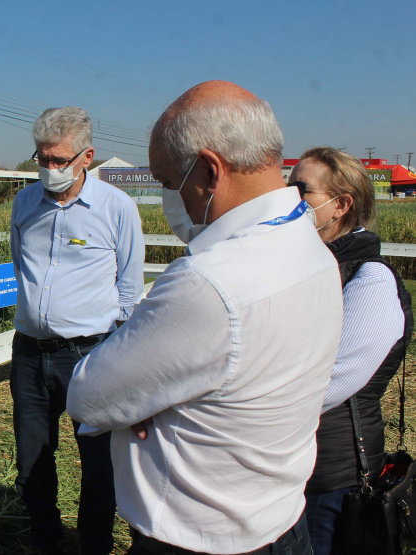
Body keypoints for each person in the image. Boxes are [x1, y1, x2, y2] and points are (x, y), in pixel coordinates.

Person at [67, 81, 344, 555]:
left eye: (168, 182)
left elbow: (89, 397)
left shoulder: (209, 282)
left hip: (195, 539)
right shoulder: (310, 246)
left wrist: (142, 400)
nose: (170, 198)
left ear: (210, 171)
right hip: (282, 522)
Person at [10, 106, 145, 554]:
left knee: (98, 462)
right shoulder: (24, 203)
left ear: (87, 156)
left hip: (91, 354)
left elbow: (129, 287)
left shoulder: (116, 208)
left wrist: (117, 350)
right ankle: (45, 539)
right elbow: (20, 265)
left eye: (59, 160)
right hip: (29, 353)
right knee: (32, 457)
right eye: (42, 158)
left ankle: (94, 545)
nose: (49, 168)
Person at [289, 147, 413, 555]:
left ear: (340, 206)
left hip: (330, 474)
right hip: (288, 463)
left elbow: (330, 382)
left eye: (302, 190)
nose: (289, 197)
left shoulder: (370, 280)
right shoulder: (305, 268)